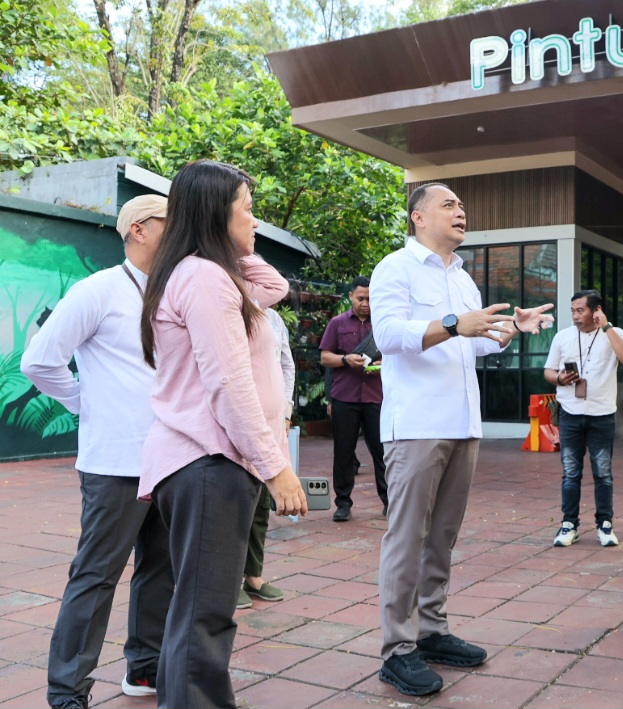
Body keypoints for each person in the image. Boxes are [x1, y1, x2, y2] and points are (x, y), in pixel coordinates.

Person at [370, 182, 553, 697]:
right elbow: (385, 336)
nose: (461, 212)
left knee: (442, 537)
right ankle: (397, 650)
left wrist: (509, 329)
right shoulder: (395, 268)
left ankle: (431, 631)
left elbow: (475, 350)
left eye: (462, 205)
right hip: (416, 427)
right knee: (407, 538)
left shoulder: (464, 279)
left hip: (462, 424)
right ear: (417, 218)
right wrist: (453, 324)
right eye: (448, 204)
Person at [139, 159, 307, 709]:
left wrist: (240, 245)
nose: (255, 220)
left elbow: (277, 289)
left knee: (197, 608)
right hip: (210, 461)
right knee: (206, 612)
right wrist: (275, 466)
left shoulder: (210, 272)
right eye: (247, 209)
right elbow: (228, 384)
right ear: (216, 213)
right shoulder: (206, 279)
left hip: (205, 462)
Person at [21, 195, 174, 709]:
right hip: (116, 463)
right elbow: (40, 361)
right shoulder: (99, 289)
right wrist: (86, 401)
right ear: (137, 230)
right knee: (96, 576)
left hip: (173, 458)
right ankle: (67, 689)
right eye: (168, 223)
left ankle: (145, 669)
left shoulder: (177, 292)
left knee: (161, 569)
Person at [544, 289, 623, 548]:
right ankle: (569, 525)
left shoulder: (613, 334)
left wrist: (606, 327)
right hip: (570, 414)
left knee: (603, 473)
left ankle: (605, 525)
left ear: (596, 311)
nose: (575, 315)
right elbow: (548, 371)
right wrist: (560, 378)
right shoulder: (563, 337)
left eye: (580, 310)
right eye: (573, 310)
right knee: (570, 473)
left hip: (602, 415)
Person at [238, 305, 295, 608]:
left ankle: (253, 575)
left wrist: (285, 409)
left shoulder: (273, 318)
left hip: (271, 424)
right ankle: (230, 579)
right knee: (234, 506)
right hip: (238, 423)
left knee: (261, 506)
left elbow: (287, 364)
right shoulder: (230, 308)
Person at [320, 276, 386, 521]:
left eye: (370, 298)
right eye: (360, 298)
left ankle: (389, 501)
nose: (365, 303)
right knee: (344, 453)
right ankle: (343, 504)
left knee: (382, 452)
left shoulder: (382, 325)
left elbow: (397, 355)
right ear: (350, 297)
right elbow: (326, 357)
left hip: (375, 397)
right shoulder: (337, 324)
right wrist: (346, 359)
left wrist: (384, 363)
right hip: (344, 398)